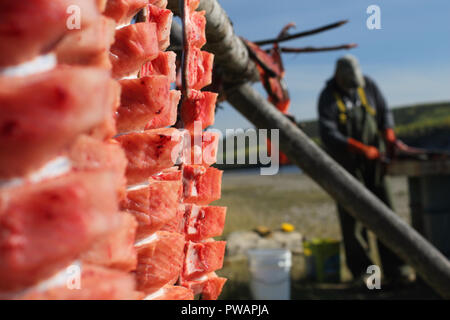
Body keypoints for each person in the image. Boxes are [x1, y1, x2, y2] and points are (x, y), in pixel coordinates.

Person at [317, 54, 405, 283]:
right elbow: (329, 134)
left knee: (387, 215)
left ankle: (398, 272)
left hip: (375, 166)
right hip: (346, 169)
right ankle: (365, 277)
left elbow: (385, 113)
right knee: (353, 222)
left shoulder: (370, 86)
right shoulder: (327, 97)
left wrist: (389, 135)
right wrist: (361, 149)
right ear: (337, 76)